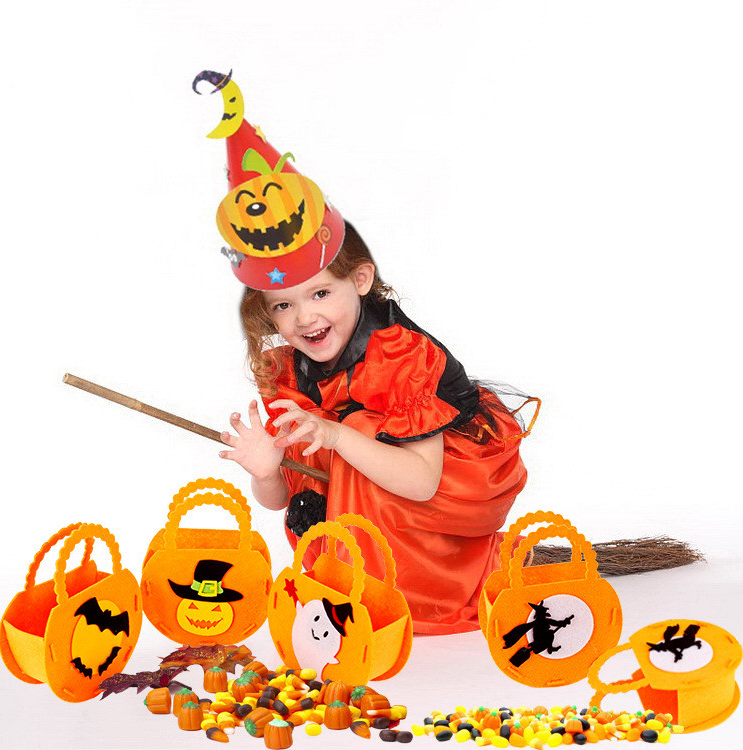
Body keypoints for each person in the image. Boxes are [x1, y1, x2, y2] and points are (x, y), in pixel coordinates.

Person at [194, 69, 536, 634]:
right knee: (324, 429)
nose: (304, 318)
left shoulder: (402, 359)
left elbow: (422, 483)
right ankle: (347, 583)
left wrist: (333, 436)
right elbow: (281, 501)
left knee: (354, 429)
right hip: (364, 515)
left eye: (320, 294)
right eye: (283, 305)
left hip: (440, 510)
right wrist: (267, 470)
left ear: (360, 279)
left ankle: (401, 594)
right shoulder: (289, 374)